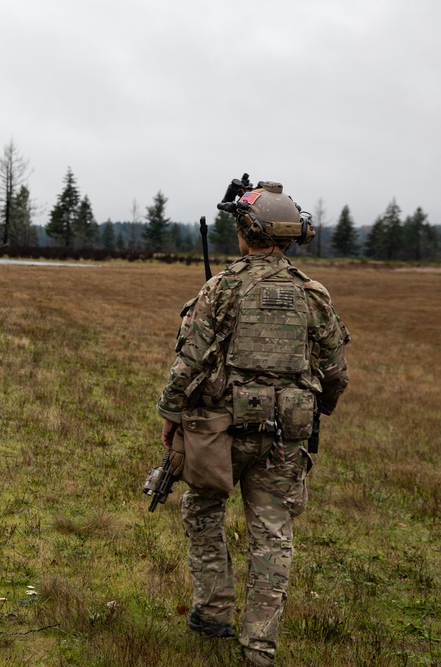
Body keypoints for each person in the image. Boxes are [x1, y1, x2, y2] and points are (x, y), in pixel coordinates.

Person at [156, 180, 349, 667]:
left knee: (202, 511)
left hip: (222, 432)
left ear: (246, 232)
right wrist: (314, 410)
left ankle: (214, 612)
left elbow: (188, 363)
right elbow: (336, 372)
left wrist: (171, 414)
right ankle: (260, 648)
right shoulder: (313, 293)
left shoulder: (221, 287)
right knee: (273, 535)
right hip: (288, 436)